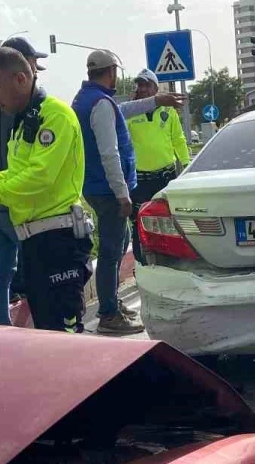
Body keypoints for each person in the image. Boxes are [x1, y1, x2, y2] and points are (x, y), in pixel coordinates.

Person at [0, 47, 91, 333]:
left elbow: (40, 177)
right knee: (45, 328)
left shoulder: (55, 116)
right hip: (35, 239)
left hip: (59, 240)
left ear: (19, 79)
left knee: (62, 333)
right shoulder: (25, 118)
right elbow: (19, 173)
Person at [71, 50, 184, 335]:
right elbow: (110, 154)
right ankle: (108, 313)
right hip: (108, 190)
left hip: (97, 186)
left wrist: (157, 100)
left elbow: (123, 111)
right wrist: (123, 195)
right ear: (112, 72)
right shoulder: (99, 104)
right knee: (111, 251)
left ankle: (112, 302)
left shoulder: (89, 99)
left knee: (120, 242)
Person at [0, 37, 43, 325]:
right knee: (35, 268)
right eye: (33, 61)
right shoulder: (16, 105)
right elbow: (18, 154)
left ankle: (0, 326)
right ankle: (43, 324)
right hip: (13, 196)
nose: (36, 68)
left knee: (0, 272)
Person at [126, 68, 190, 266]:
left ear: (156, 88)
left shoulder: (168, 111)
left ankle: (171, 262)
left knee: (170, 222)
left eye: (147, 85)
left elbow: (178, 139)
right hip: (140, 180)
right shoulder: (130, 112)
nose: (143, 89)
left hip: (165, 177)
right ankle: (142, 264)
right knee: (139, 223)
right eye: (140, 85)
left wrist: (187, 165)